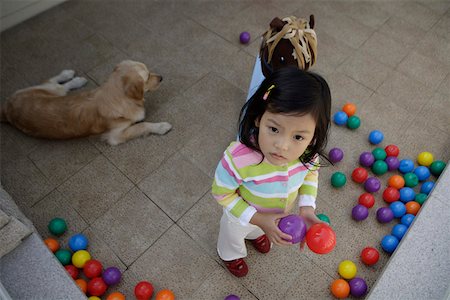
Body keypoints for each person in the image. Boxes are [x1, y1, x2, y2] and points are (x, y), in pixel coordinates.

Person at [212, 67, 331, 277]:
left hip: (274, 217)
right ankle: (231, 255)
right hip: (240, 215)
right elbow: (222, 192)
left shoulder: (307, 155)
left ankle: (257, 233)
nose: (282, 146)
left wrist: (306, 209)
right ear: (259, 118)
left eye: (298, 137)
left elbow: (310, 174)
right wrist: (257, 218)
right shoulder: (239, 158)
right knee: (232, 236)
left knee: (260, 228)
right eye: (274, 129)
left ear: (313, 136)